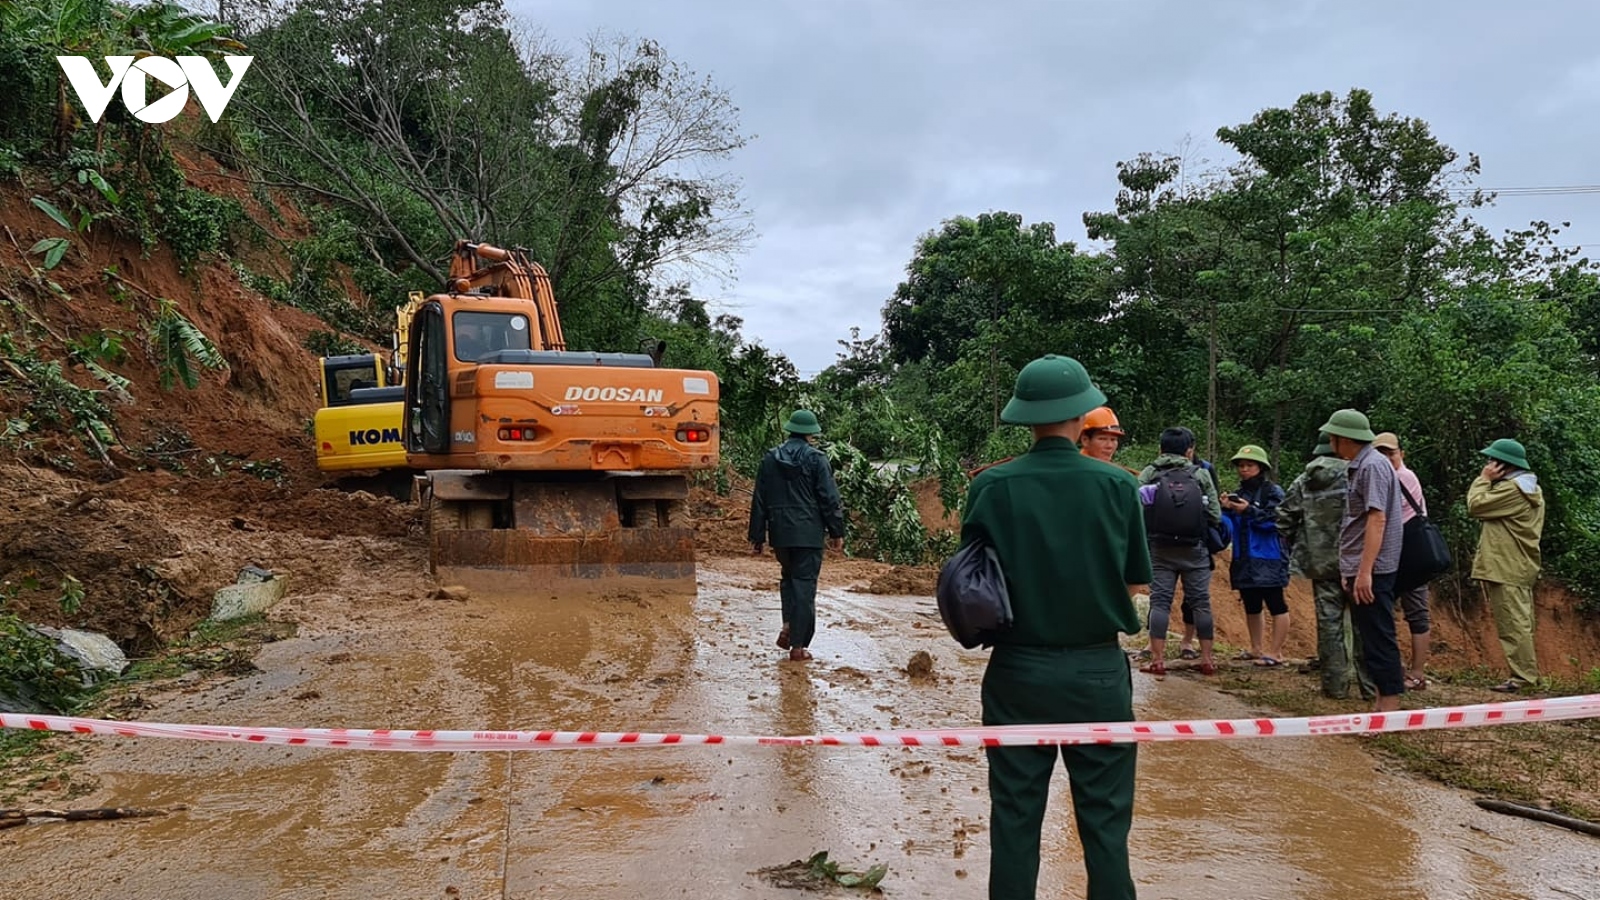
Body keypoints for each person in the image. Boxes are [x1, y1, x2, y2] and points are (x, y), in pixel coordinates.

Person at [959, 354, 1150, 900]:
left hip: (1017, 672)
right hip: (1097, 673)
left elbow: (972, 583)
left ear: (1026, 415)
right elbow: (1136, 582)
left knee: (1015, 822)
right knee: (1106, 827)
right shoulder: (1117, 487)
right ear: (1082, 414)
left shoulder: (992, 486)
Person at [1319, 408, 1406, 711]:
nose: (1330, 440)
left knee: (1380, 637)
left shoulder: (1372, 467)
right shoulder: (1363, 465)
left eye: (1333, 435)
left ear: (1344, 439)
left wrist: (1365, 571)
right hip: (1363, 567)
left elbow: (1376, 519)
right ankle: (1381, 704)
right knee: (1371, 637)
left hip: (1375, 568)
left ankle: (1389, 709)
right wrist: (1351, 569)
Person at [1279, 435, 1375, 701]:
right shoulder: (1359, 474)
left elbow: (1283, 518)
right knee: (1365, 625)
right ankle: (1371, 688)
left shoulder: (1305, 480)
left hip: (1322, 565)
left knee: (1329, 625)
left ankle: (1335, 687)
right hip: (1359, 563)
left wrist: (1305, 539)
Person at [748, 409, 846, 662]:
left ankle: (789, 624)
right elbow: (829, 499)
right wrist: (837, 531)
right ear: (811, 435)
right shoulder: (817, 459)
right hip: (809, 533)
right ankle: (798, 646)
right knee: (804, 586)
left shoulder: (770, 458)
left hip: (780, 533)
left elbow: (759, 499)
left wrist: (757, 536)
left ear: (790, 430)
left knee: (788, 580)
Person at [1136, 427, 1222, 675]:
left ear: (1160, 449)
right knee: (1201, 603)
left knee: (1160, 602)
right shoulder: (1201, 474)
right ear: (1189, 451)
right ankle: (1206, 659)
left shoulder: (1151, 472)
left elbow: (1133, 504)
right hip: (1195, 549)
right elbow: (1216, 514)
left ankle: (1157, 660)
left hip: (1160, 548)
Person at [1467, 438, 1546, 693]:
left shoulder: (1513, 490)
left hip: (1507, 565)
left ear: (1504, 465)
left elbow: (1476, 505)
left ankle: (1522, 678)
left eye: (1492, 460)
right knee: (1520, 621)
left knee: (1513, 623)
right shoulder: (1527, 487)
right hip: (1516, 564)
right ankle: (1527, 675)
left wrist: (1483, 479)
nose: (1488, 464)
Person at [1373, 432, 1433, 691]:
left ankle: (1417, 673)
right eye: (1381, 454)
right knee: (1392, 612)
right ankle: (1398, 669)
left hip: (1407, 555)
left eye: (1391, 453)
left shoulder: (1403, 477)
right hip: (1395, 554)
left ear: (1402, 454)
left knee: (1416, 612)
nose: (1387, 458)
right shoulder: (1388, 477)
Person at [1222, 444, 1290, 666]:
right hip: (1243, 558)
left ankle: (1276, 652)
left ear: (1261, 467)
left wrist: (1249, 510)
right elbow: (1229, 526)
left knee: (1276, 603)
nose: (1244, 469)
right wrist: (1226, 509)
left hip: (1269, 556)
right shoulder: (1239, 494)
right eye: (1241, 466)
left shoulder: (1273, 492)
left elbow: (1279, 522)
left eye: (1249, 465)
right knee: (1252, 604)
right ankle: (1256, 649)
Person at [1079, 406, 1138, 475]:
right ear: (1085, 440)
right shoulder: (1079, 471)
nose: (1109, 446)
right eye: (1102, 439)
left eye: (1113, 440)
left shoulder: (1117, 472)